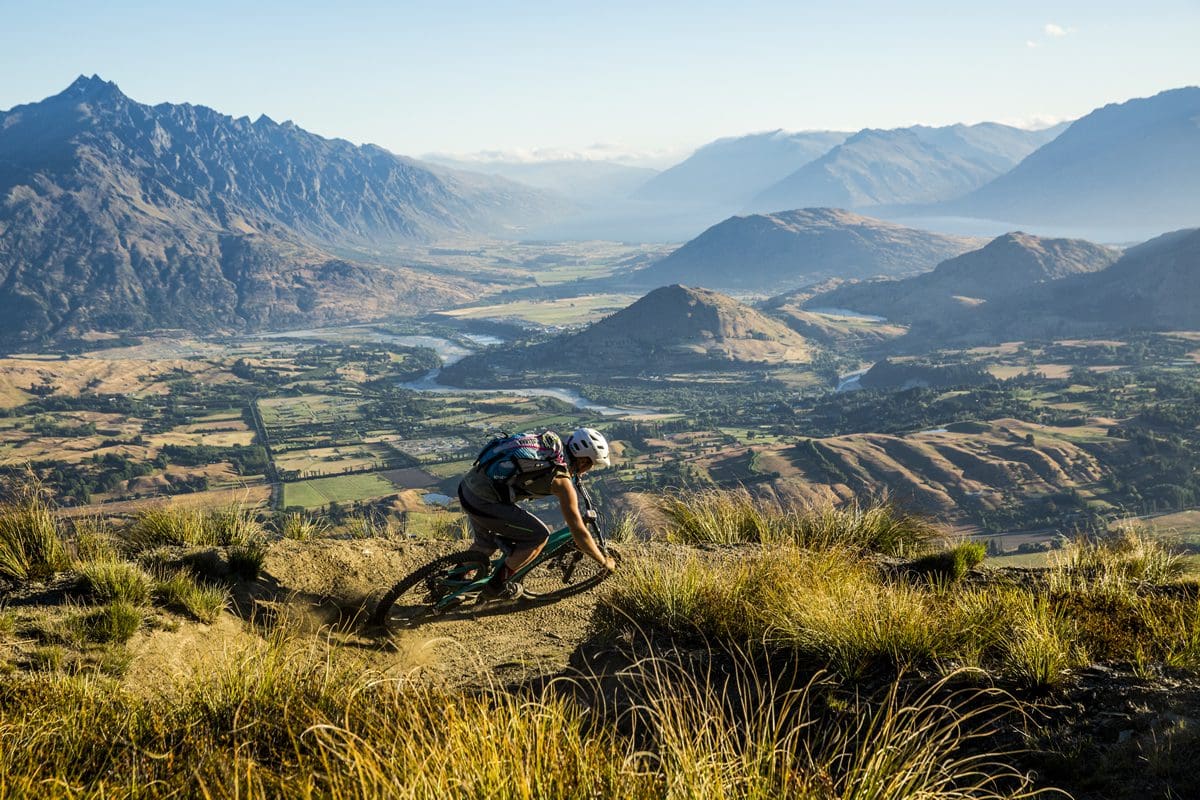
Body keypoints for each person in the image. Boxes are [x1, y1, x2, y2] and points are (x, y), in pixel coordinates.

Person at [457, 427, 616, 599]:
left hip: (468, 488)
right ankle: (496, 587)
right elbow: (577, 530)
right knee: (538, 536)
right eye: (591, 465)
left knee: (485, 544)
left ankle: (451, 582)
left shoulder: (551, 450)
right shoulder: (561, 482)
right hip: (483, 501)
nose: (589, 470)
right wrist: (603, 561)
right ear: (583, 461)